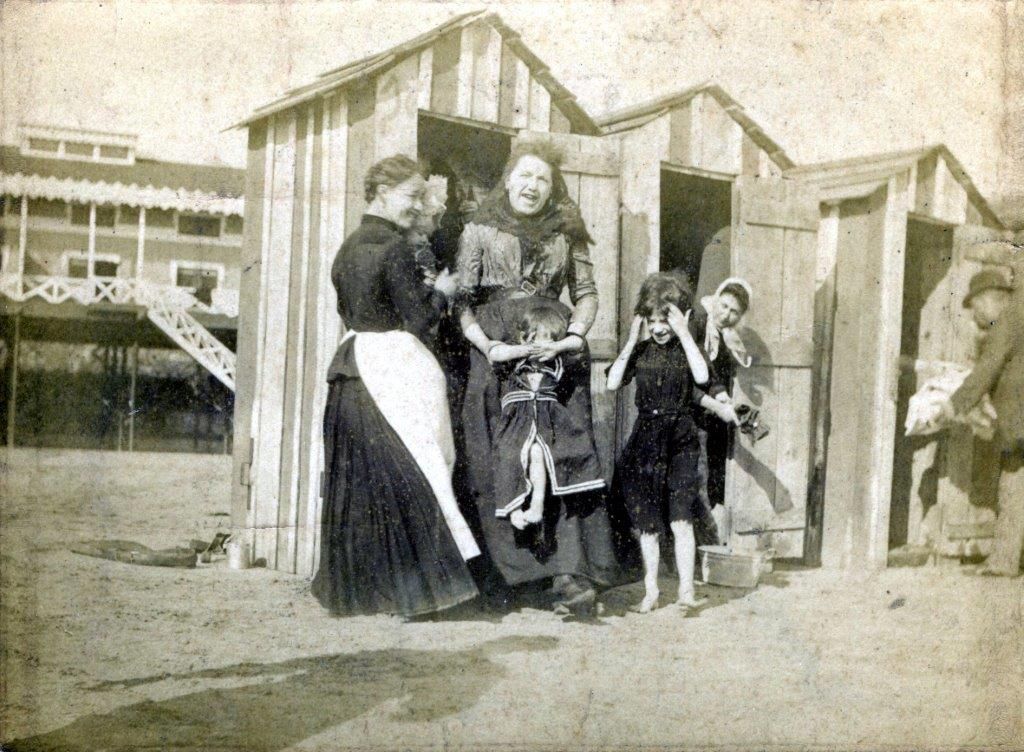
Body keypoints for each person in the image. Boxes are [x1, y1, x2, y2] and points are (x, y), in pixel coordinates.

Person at [311, 155, 481, 617]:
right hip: (391, 367)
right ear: (382, 193)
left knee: (366, 482)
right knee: (416, 469)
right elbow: (420, 318)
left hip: (352, 369)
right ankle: (421, 593)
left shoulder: (348, 247)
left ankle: (360, 592)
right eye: (413, 197)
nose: (420, 206)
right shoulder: (396, 248)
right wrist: (443, 290)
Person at [454, 141, 614, 613]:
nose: (532, 186)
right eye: (524, 176)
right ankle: (506, 575)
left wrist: (573, 338)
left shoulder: (568, 233)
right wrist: (489, 347)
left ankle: (568, 573)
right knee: (499, 453)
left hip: (554, 349)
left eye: (543, 179)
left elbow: (586, 293)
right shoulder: (479, 229)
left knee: (562, 450)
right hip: (497, 351)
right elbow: (461, 299)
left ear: (553, 187)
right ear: (508, 179)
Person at [606, 273, 711, 613]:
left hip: (680, 439)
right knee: (648, 523)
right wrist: (631, 339)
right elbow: (611, 383)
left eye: (665, 320)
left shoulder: (687, 348)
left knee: (681, 518)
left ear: (682, 317)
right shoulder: (641, 350)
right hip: (645, 441)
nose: (658, 328)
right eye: (652, 321)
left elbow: (702, 377)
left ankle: (686, 591)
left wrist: (684, 332)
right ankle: (651, 591)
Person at [488, 302, 605, 533]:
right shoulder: (514, 361)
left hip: (546, 421)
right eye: (536, 339)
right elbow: (494, 352)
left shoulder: (556, 363)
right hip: (516, 423)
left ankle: (537, 504)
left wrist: (557, 347)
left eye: (549, 340)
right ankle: (513, 510)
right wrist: (522, 350)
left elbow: (577, 343)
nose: (542, 346)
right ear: (524, 339)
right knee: (509, 457)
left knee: (538, 452)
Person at [941, 267, 1024, 577]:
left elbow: (987, 369)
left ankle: (1004, 561)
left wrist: (954, 404)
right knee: (1014, 481)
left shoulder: (1008, 322)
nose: (975, 317)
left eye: (976, 309)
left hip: (1020, 424)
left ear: (990, 300)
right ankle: (1006, 558)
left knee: (1013, 485)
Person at [693, 278, 750, 528]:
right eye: (724, 306)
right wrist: (717, 396)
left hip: (712, 415)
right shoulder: (696, 324)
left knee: (714, 476)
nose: (726, 315)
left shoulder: (728, 338)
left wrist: (724, 396)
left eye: (734, 312)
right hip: (689, 406)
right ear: (715, 300)